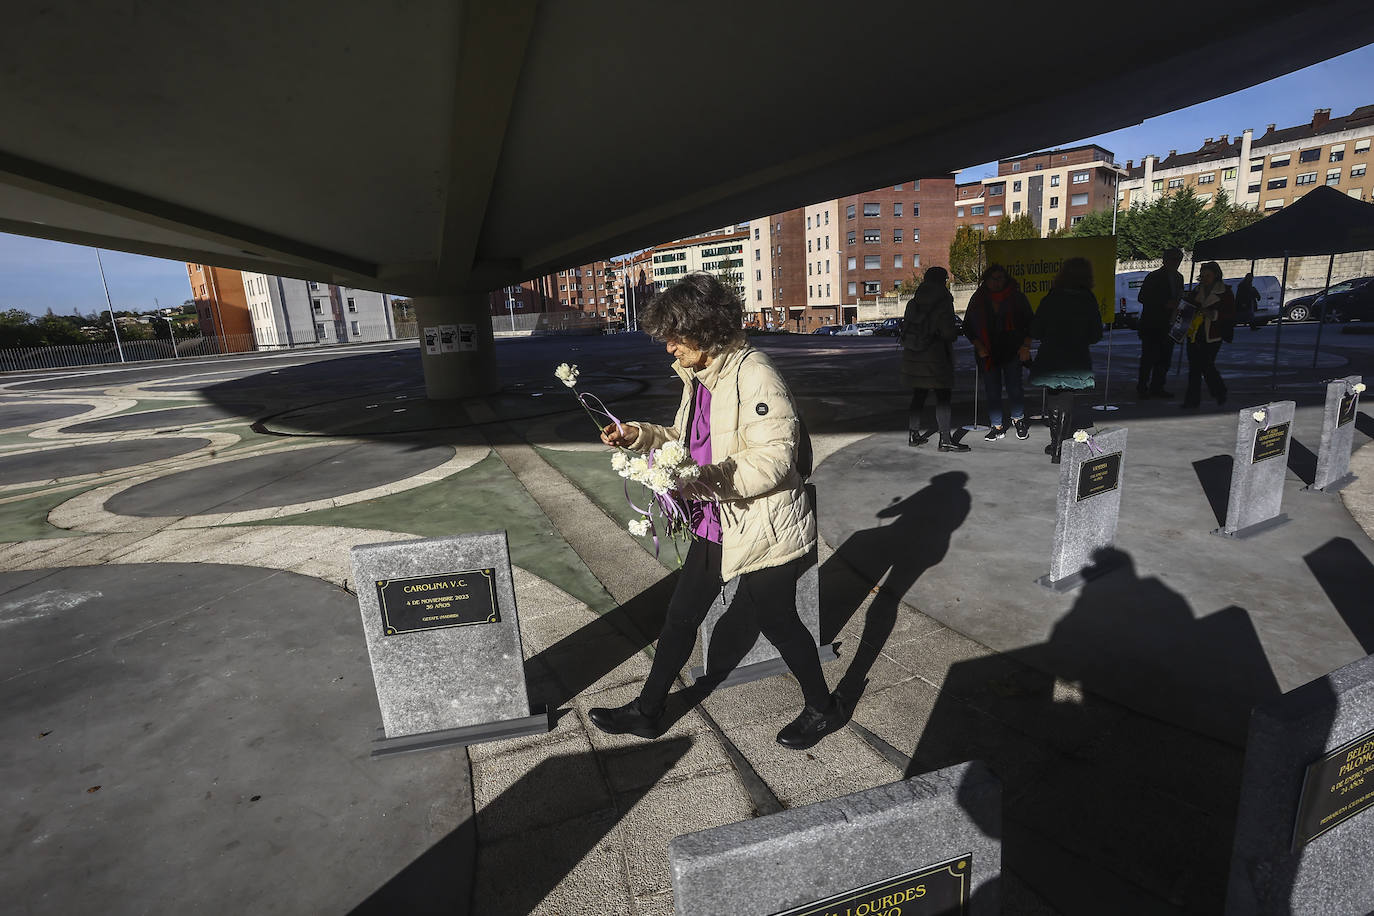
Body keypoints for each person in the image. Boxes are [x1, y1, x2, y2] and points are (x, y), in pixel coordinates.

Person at [590, 272, 846, 750]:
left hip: (765, 523)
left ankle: (823, 708)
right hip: (717, 520)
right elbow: (687, 443)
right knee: (681, 616)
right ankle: (648, 711)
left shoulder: (756, 374)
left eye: (674, 338)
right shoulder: (700, 378)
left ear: (703, 330)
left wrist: (697, 481)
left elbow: (773, 462)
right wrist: (638, 436)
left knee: (778, 620)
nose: (669, 349)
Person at [1029, 257, 1103, 463]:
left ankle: (1056, 444)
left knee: (1053, 394)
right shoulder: (1088, 299)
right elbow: (1096, 334)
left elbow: (1035, 329)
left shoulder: (1052, 297)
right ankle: (1059, 446)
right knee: (1067, 397)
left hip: (1052, 353)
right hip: (1076, 355)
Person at [900, 267, 968, 452]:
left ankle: (913, 434)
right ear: (941, 280)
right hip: (936, 356)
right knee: (943, 396)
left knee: (919, 395)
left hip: (915, 356)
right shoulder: (943, 301)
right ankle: (945, 439)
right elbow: (948, 333)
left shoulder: (914, 301)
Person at [963, 264, 1034, 440]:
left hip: (1012, 350)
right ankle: (997, 425)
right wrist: (978, 345)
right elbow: (968, 326)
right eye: (993, 278)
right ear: (986, 280)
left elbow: (1031, 323)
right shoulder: (978, 298)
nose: (997, 282)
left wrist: (1026, 345)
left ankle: (1018, 419)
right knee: (992, 389)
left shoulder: (1016, 297)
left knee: (1014, 388)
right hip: (987, 353)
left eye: (1000, 278)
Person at [1180, 261, 1236, 409]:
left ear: (1216, 275)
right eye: (1203, 275)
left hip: (1213, 335)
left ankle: (1219, 391)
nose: (1204, 278)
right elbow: (1187, 311)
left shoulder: (1225, 292)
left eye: (1208, 275)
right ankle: (1192, 400)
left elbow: (1230, 314)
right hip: (1194, 334)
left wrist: (1213, 314)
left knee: (1206, 366)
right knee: (1194, 368)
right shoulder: (1196, 291)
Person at [1136, 247, 1184, 399]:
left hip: (1169, 323)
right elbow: (1142, 297)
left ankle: (1158, 387)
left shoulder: (1179, 278)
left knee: (1165, 358)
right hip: (1152, 324)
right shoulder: (1154, 276)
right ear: (1165, 260)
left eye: (1178, 260)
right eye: (1173, 259)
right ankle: (1142, 388)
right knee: (1149, 358)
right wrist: (1164, 303)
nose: (1175, 263)